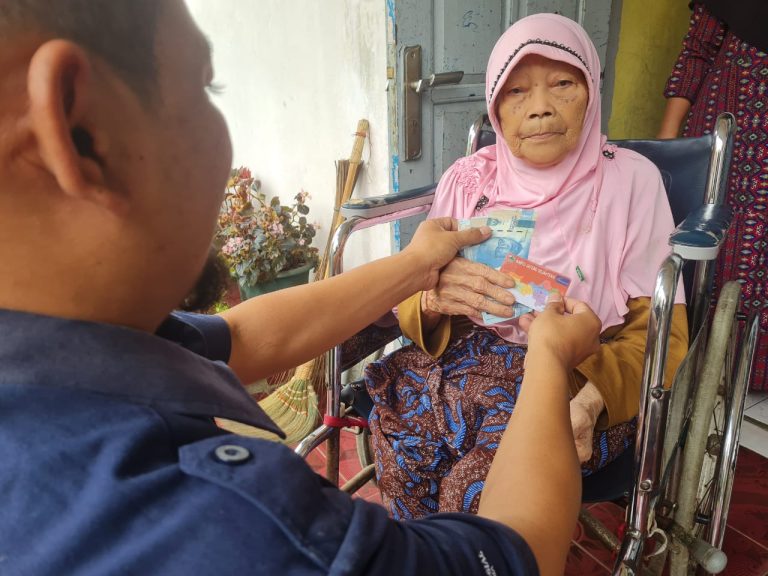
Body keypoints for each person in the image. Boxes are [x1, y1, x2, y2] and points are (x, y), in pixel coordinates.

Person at [0, 1, 608, 575]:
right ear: (76, 124)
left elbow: (240, 337)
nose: (539, 110)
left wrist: (418, 265)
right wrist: (549, 358)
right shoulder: (241, 525)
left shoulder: (66, 348)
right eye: (204, 88)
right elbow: (514, 555)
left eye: (563, 85)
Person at [366, 13, 690, 520]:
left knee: (476, 495)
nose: (539, 107)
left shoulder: (632, 182)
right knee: (403, 458)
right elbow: (414, 295)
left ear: (591, 91)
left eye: (562, 84)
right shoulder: (469, 180)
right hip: (459, 365)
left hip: (577, 376)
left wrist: (590, 402)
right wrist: (430, 298)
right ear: (495, 106)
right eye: (516, 91)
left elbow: (661, 332)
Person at [659, 0, 768, 392]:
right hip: (729, 129)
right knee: (708, 242)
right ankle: (692, 362)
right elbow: (696, 53)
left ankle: (751, 368)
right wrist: (667, 143)